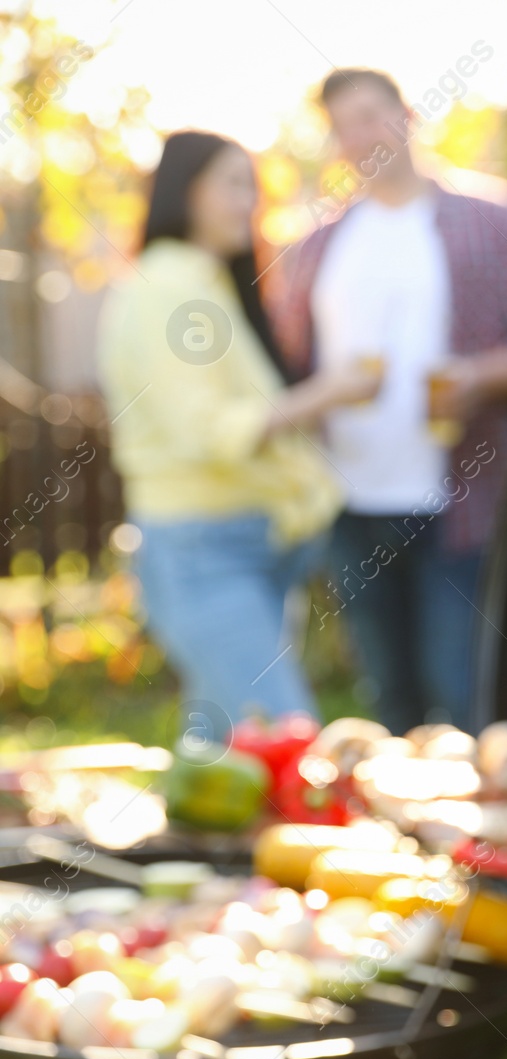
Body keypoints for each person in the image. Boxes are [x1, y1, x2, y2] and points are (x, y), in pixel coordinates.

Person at [274, 68, 507, 734]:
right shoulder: (320, 246)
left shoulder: (496, 221)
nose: (359, 135)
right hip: (351, 506)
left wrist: (479, 376)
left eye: (371, 114)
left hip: (462, 506)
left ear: (407, 116)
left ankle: (481, 836)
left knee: (464, 696)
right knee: (393, 703)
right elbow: (290, 366)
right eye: (343, 124)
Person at [98, 130, 379, 727]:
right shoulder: (169, 289)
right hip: (205, 548)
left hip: (251, 540)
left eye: (250, 186)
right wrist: (329, 393)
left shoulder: (207, 281)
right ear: (185, 191)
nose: (247, 202)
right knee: (286, 736)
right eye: (231, 184)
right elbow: (212, 431)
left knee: (225, 750)